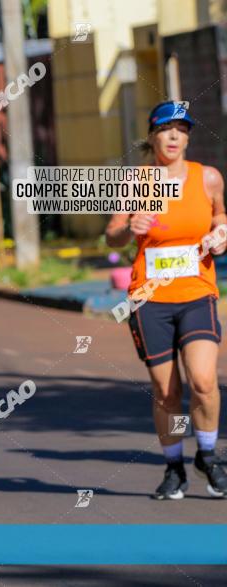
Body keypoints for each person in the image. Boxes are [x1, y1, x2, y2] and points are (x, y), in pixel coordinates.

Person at [105, 100, 227, 499]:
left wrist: (221, 234)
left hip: (196, 292)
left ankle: (207, 456)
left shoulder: (207, 178)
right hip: (150, 299)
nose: (174, 136)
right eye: (166, 129)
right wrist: (130, 227)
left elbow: (220, 218)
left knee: (204, 381)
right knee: (166, 391)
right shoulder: (136, 182)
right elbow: (112, 236)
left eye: (182, 129)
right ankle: (174, 468)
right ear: (152, 136)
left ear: (188, 137)